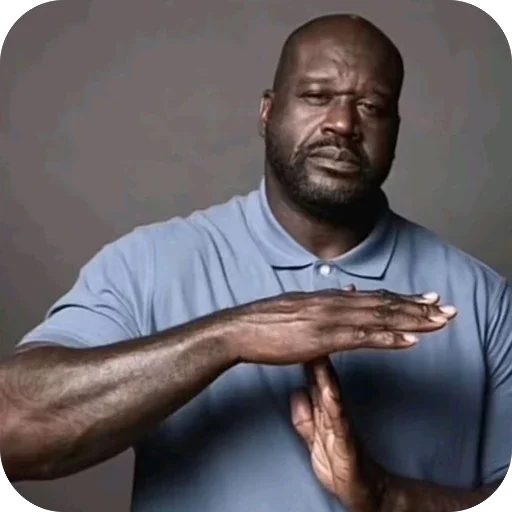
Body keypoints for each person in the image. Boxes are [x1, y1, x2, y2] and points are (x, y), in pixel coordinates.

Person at [0, 13, 510, 512]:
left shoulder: (482, 300)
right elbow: (12, 427)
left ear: (394, 129)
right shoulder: (150, 263)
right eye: (317, 96)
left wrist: (388, 498)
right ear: (268, 110)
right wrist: (230, 335)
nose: (342, 123)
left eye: (371, 106)